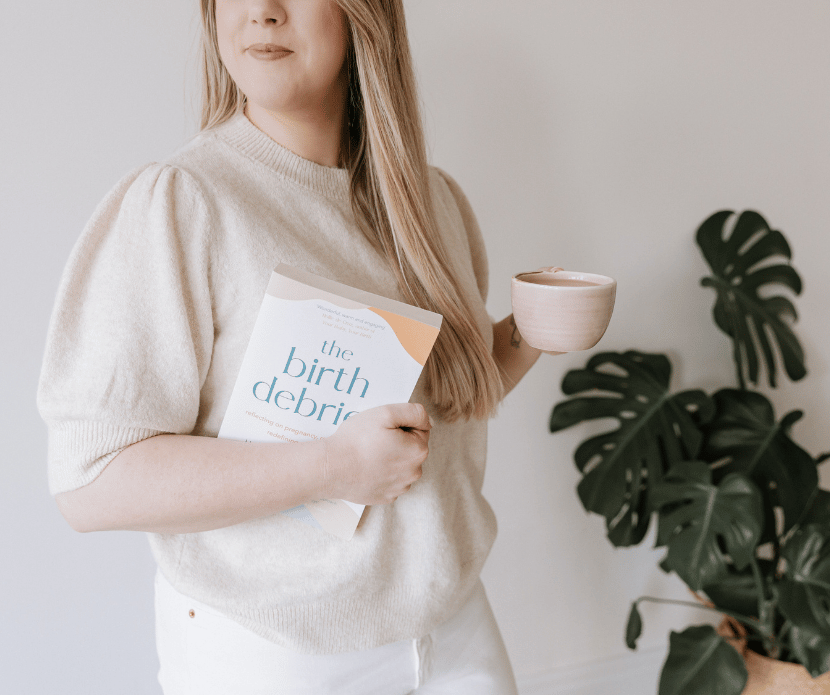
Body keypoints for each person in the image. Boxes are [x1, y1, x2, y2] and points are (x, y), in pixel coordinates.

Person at [37, 0, 547, 692]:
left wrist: (529, 334)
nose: (263, 13)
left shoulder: (433, 204)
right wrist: (330, 467)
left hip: (454, 632)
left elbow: (432, 409)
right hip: (275, 653)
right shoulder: (186, 203)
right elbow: (91, 482)